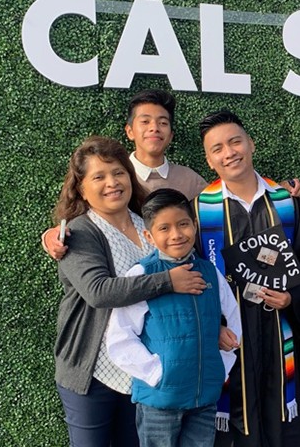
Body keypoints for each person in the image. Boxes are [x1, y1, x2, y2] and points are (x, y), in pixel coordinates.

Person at [53, 136, 207, 446]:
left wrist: (211, 326)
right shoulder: (80, 231)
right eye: (99, 176)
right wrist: (167, 281)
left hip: (143, 369)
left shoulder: (149, 225)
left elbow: (190, 278)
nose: (112, 182)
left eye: (119, 173)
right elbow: (99, 292)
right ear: (82, 187)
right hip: (93, 372)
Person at [42, 89, 300, 260]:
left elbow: (230, 202)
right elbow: (82, 214)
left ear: (171, 133)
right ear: (130, 131)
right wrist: (52, 235)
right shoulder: (114, 178)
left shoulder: (190, 180)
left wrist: (276, 190)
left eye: (163, 122)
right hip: (121, 274)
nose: (154, 128)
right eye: (144, 121)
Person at [194, 109, 300, 447]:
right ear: (209, 160)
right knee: (236, 419)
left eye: (235, 142)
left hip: (276, 325)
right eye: (217, 148)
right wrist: (213, 325)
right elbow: (192, 273)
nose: (229, 152)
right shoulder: (199, 210)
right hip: (231, 333)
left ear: (251, 144)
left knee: (280, 416)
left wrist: (293, 297)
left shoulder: (284, 203)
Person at [105, 188, 242, 447]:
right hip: (160, 401)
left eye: (183, 224)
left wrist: (219, 367)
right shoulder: (142, 275)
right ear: (149, 236)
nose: (177, 235)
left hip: (204, 398)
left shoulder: (210, 272)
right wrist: (158, 374)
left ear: (194, 225)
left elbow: (233, 320)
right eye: (164, 228)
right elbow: (120, 338)